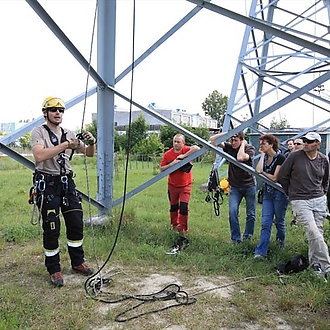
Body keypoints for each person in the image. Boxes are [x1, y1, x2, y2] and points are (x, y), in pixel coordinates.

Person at [31, 96, 96, 287]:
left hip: (66, 183)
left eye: (60, 110)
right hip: (48, 183)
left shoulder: (69, 132)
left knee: (76, 223)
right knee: (52, 227)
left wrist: (91, 142)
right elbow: (39, 155)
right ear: (46, 113)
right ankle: (54, 269)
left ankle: (78, 262)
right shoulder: (39, 132)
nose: (58, 113)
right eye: (53, 110)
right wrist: (66, 145)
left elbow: (89, 153)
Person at [278, 132, 330, 277]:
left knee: (317, 234)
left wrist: (323, 193)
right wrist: (291, 193)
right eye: (305, 140)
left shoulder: (323, 159)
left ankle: (315, 266)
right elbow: (283, 175)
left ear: (318, 144)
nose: (306, 143)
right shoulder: (295, 156)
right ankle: (327, 266)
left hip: (319, 199)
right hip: (300, 200)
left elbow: (326, 179)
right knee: (314, 232)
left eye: (310, 141)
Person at [210, 131, 256, 243]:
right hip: (235, 187)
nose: (233, 142)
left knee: (251, 214)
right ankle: (236, 239)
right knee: (232, 213)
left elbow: (240, 157)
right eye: (232, 140)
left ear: (242, 140)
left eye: (236, 140)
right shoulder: (230, 147)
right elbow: (213, 140)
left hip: (249, 186)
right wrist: (228, 133)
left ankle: (247, 237)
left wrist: (244, 144)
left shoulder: (250, 149)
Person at [160, 134, 200, 253]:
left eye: (178, 142)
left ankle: (183, 229)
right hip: (172, 185)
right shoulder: (168, 154)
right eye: (174, 141)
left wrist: (183, 157)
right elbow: (161, 168)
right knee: (173, 207)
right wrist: (173, 163)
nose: (176, 144)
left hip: (185, 185)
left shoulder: (186, 149)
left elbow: (197, 148)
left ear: (183, 143)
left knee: (183, 207)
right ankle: (174, 225)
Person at [253, 134, 289, 259]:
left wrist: (263, 172)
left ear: (271, 144)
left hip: (279, 193)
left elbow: (274, 178)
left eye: (264, 143)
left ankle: (280, 245)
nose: (261, 145)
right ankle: (261, 252)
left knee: (279, 221)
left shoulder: (281, 158)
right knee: (265, 222)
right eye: (261, 143)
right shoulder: (265, 157)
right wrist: (262, 155)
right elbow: (257, 170)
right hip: (268, 193)